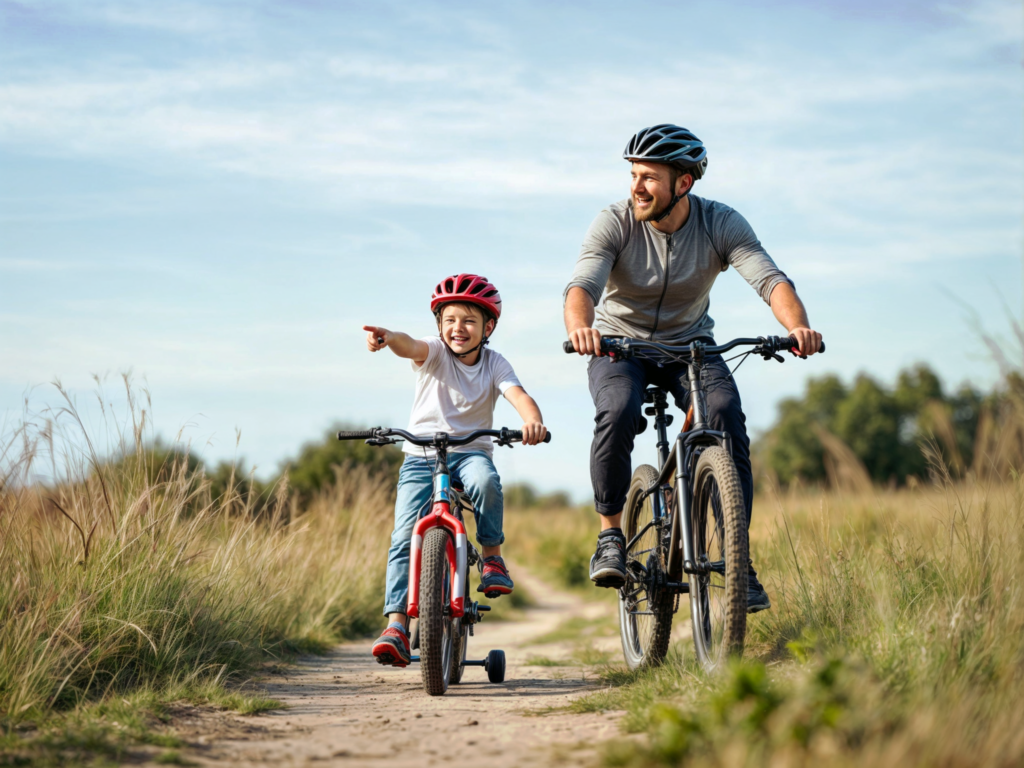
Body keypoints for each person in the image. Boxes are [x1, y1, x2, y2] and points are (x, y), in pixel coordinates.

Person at [564, 124, 822, 613]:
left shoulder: (720, 223)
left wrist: (799, 327)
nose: (636, 187)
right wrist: (582, 328)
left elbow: (768, 278)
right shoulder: (614, 222)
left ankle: (736, 557)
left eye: (649, 178)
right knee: (616, 410)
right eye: (633, 175)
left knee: (724, 412)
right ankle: (610, 536)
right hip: (620, 345)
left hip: (692, 346)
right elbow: (582, 286)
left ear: (683, 183)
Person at [362, 273, 548, 666]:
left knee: (486, 481)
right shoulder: (432, 352)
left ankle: (493, 558)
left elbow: (519, 395)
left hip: (470, 451)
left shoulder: (495, 363)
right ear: (439, 325)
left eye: (468, 321)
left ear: (488, 327)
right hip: (421, 456)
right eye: (449, 320)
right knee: (402, 536)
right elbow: (407, 345)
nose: (457, 328)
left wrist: (533, 420)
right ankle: (396, 625)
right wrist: (387, 336)